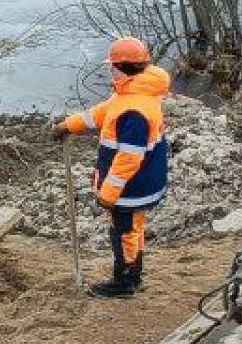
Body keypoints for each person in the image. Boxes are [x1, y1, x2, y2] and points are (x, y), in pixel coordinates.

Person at [54, 37, 170, 298]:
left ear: (123, 67)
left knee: (125, 232)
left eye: (113, 65)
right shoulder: (133, 93)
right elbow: (102, 112)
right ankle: (133, 274)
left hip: (132, 188)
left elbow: (128, 159)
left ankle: (125, 282)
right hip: (140, 183)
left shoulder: (134, 110)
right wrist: (69, 125)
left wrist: (108, 194)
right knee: (132, 229)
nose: (110, 70)